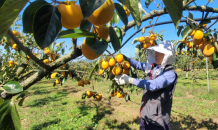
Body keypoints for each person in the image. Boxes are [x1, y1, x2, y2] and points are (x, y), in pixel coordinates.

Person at [115, 40, 178, 130]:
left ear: (167, 55)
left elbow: (153, 85)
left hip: (158, 120)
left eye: (160, 52)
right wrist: (124, 58)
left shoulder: (170, 74)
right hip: (146, 114)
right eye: (156, 51)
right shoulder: (155, 67)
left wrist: (130, 80)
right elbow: (138, 65)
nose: (156, 54)